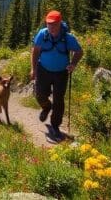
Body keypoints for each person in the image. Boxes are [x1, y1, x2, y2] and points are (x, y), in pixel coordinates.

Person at [30, 10, 83, 142]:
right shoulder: (42, 34)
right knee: (40, 94)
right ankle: (46, 107)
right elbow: (35, 51)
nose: (51, 27)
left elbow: (79, 51)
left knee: (59, 100)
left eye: (54, 24)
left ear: (60, 23)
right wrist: (33, 69)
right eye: (49, 24)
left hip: (61, 72)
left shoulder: (68, 38)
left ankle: (55, 126)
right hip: (43, 70)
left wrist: (73, 64)